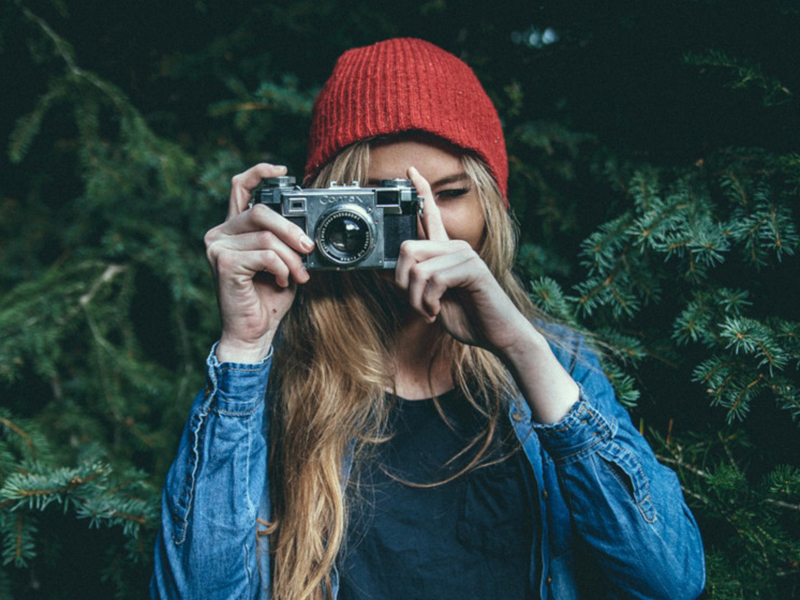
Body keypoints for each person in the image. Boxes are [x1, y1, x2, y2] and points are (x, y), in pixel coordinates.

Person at [150, 38, 705, 600]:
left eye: (450, 193)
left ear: (491, 203)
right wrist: (244, 348)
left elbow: (669, 580)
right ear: (321, 217)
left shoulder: (556, 367)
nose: (421, 226)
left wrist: (520, 345)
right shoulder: (269, 385)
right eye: (380, 202)